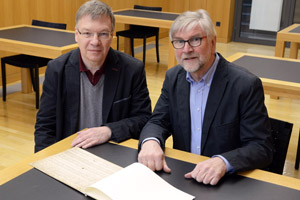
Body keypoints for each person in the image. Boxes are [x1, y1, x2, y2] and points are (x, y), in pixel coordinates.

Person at [138, 9, 273, 185]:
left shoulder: (245, 85)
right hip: (185, 177)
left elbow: (260, 147)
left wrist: (223, 162)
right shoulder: (173, 77)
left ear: (213, 42)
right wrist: (150, 141)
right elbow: (157, 122)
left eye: (195, 40)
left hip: (226, 184)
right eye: (179, 41)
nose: (187, 49)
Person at [34, 0, 151, 152]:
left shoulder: (132, 70)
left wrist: (109, 131)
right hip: (70, 153)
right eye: (87, 33)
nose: (95, 42)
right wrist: (44, 163)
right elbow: (45, 125)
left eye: (103, 34)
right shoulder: (56, 69)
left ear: (112, 36)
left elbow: (144, 119)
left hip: (114, 153)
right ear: (76, 35)